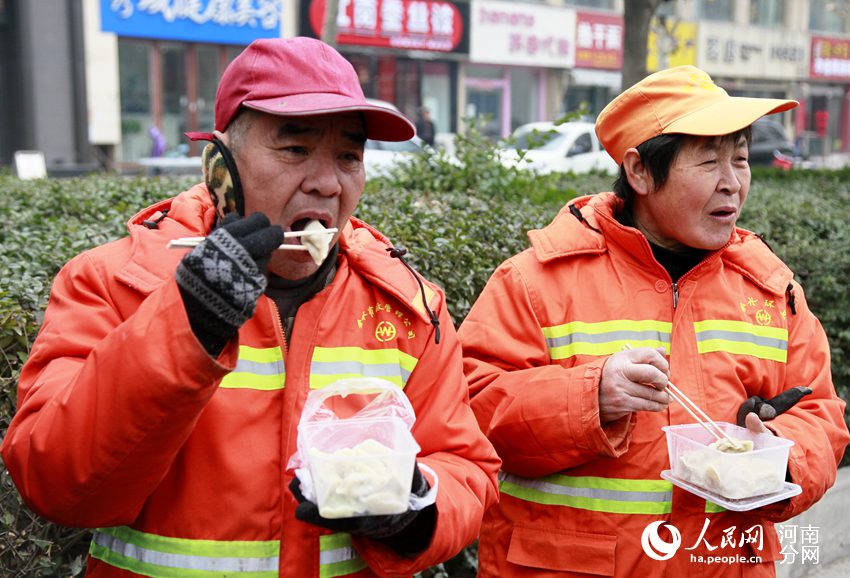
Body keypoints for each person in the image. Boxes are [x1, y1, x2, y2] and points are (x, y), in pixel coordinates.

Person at [1, 37, 500, 578]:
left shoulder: (408, 307)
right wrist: (185, 324)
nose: (327, 184)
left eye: (349, 157)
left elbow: (465, 468)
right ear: (221, 168)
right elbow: (56, 484)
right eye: (295, 149)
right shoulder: (113, 283)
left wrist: (415, 512)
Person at [458, 65, 849, 577]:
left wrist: (777, 455)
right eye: (708, 161)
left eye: (740, 159)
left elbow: (822, 415)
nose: (732, 183)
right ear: (640, 171)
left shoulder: (772, 290)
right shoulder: (535, 280)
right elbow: (468, 413)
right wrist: (589, 397)